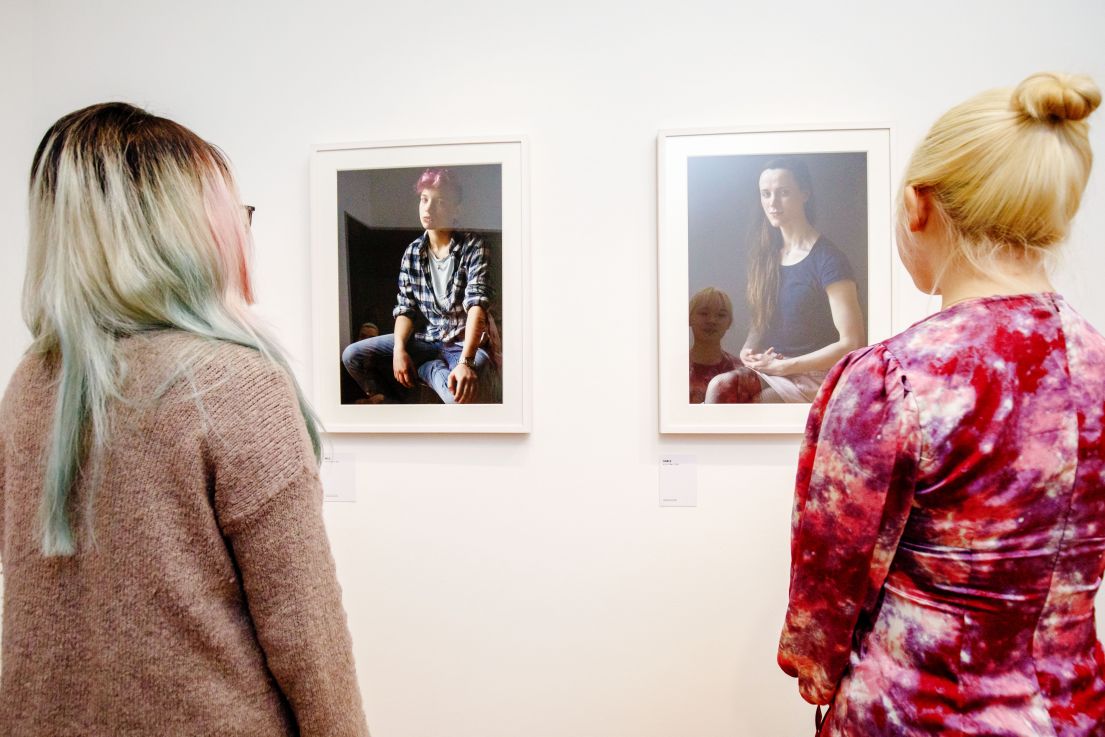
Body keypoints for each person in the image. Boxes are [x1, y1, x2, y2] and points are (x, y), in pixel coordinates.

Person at [0, 103, 369, 736]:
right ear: (178, 231)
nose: (242, 234)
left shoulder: (33, 380)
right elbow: (307, 634)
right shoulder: (235, 382)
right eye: (235, 215)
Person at [778, 73, 1103, 736]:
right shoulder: (1098, 365)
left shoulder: (894, 378)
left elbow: (824, 600)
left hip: (917, 714)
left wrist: (814, 675)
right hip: (1075, 711)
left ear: (916, 205)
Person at [705, 157, 865, 404]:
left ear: (805, 194)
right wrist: (748, 349)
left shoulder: (829, 260)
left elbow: (852, 342)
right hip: (775, 370)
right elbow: (763, 321)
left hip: (816, 375)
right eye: (766, 194)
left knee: (758, 405)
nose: (773, 203)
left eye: (783, 193)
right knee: (719, 388)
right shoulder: (767, 255)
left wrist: (785, 367)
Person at [341, 168, 499, 404]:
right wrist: (399, 351)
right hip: (428, 341)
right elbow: (405, 308)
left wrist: (465, 362)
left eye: (440, 202)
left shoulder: (475, 245)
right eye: (424, 199)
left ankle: (428, 369)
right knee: (352, 355)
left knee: (457, 398)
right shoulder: (413, 252)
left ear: (456, 210)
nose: (428, 208)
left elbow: (477, 306)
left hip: (463, 346)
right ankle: (393, 401)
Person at [688, 286, 739, 403]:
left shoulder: (739, 372)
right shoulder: (672, 370)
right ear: (689, 318)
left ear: (729, 323)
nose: (712, 320)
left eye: (721, 315)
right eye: (704, 313)